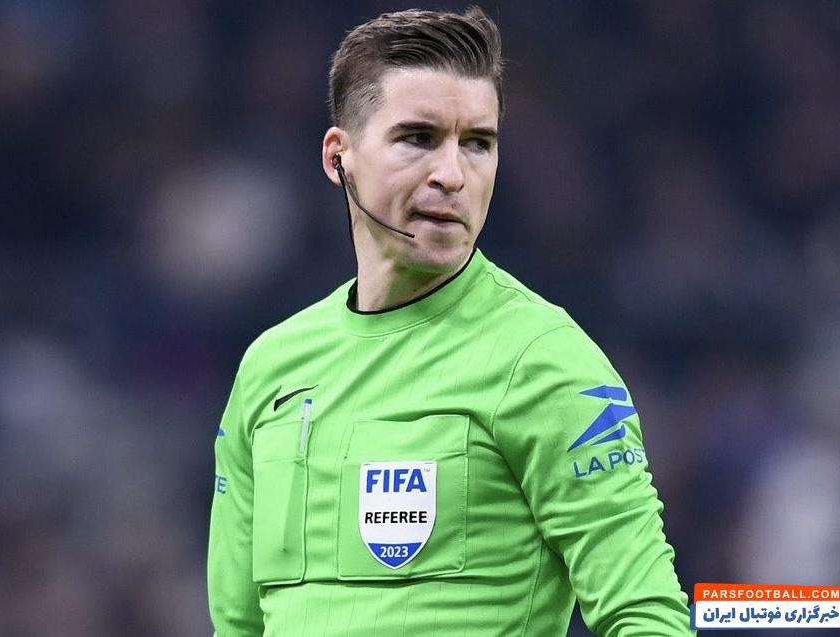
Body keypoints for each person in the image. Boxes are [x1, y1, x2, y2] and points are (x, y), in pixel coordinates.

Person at [208, 7, 693, 636]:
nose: (453, 174)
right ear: (339, 158)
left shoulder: (545, 361)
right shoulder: (271, 367)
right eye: (418, 138)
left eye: (478, 144)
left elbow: (647, 616)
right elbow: (237, 625)